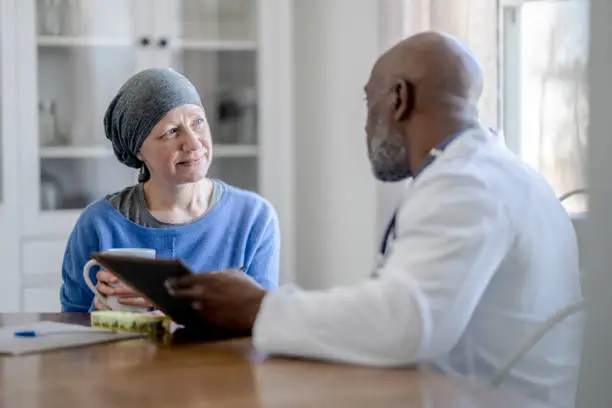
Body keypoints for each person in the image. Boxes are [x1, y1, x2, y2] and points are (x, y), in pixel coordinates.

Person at [165, 32, 583, 407]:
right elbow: (404, 311)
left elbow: (406, 323)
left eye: (370, 103)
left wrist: (257, 307)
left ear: (399, 98)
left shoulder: (466, 183)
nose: (366, 126)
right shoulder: (497, 171)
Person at [60, 68, 280, 312]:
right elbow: (72, 319)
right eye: (172, 132)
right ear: (139, 150)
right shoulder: (98, 223)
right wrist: (99, 312)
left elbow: (262, 320)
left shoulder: (254, 218)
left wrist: (168, 306)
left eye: (198, 122)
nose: (194, 143)